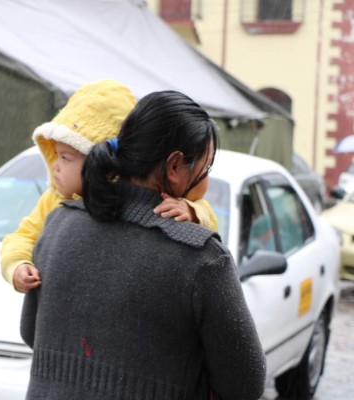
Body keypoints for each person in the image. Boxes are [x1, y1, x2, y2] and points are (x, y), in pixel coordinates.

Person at [20, 90, 266, 400]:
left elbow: (32, 332)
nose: (205, 182)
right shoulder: (201, 259)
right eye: (205, 170)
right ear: (175, 166)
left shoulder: (57, 225)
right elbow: (245, 384)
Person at [0, 80, 218, 293]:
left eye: (65, 158)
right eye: (55, 155)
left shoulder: (138, 199)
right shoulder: (53, 201)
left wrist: (193, 212)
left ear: (101, 159)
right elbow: (22, 237)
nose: (55, 166)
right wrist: (17, 265)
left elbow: (206, 214)